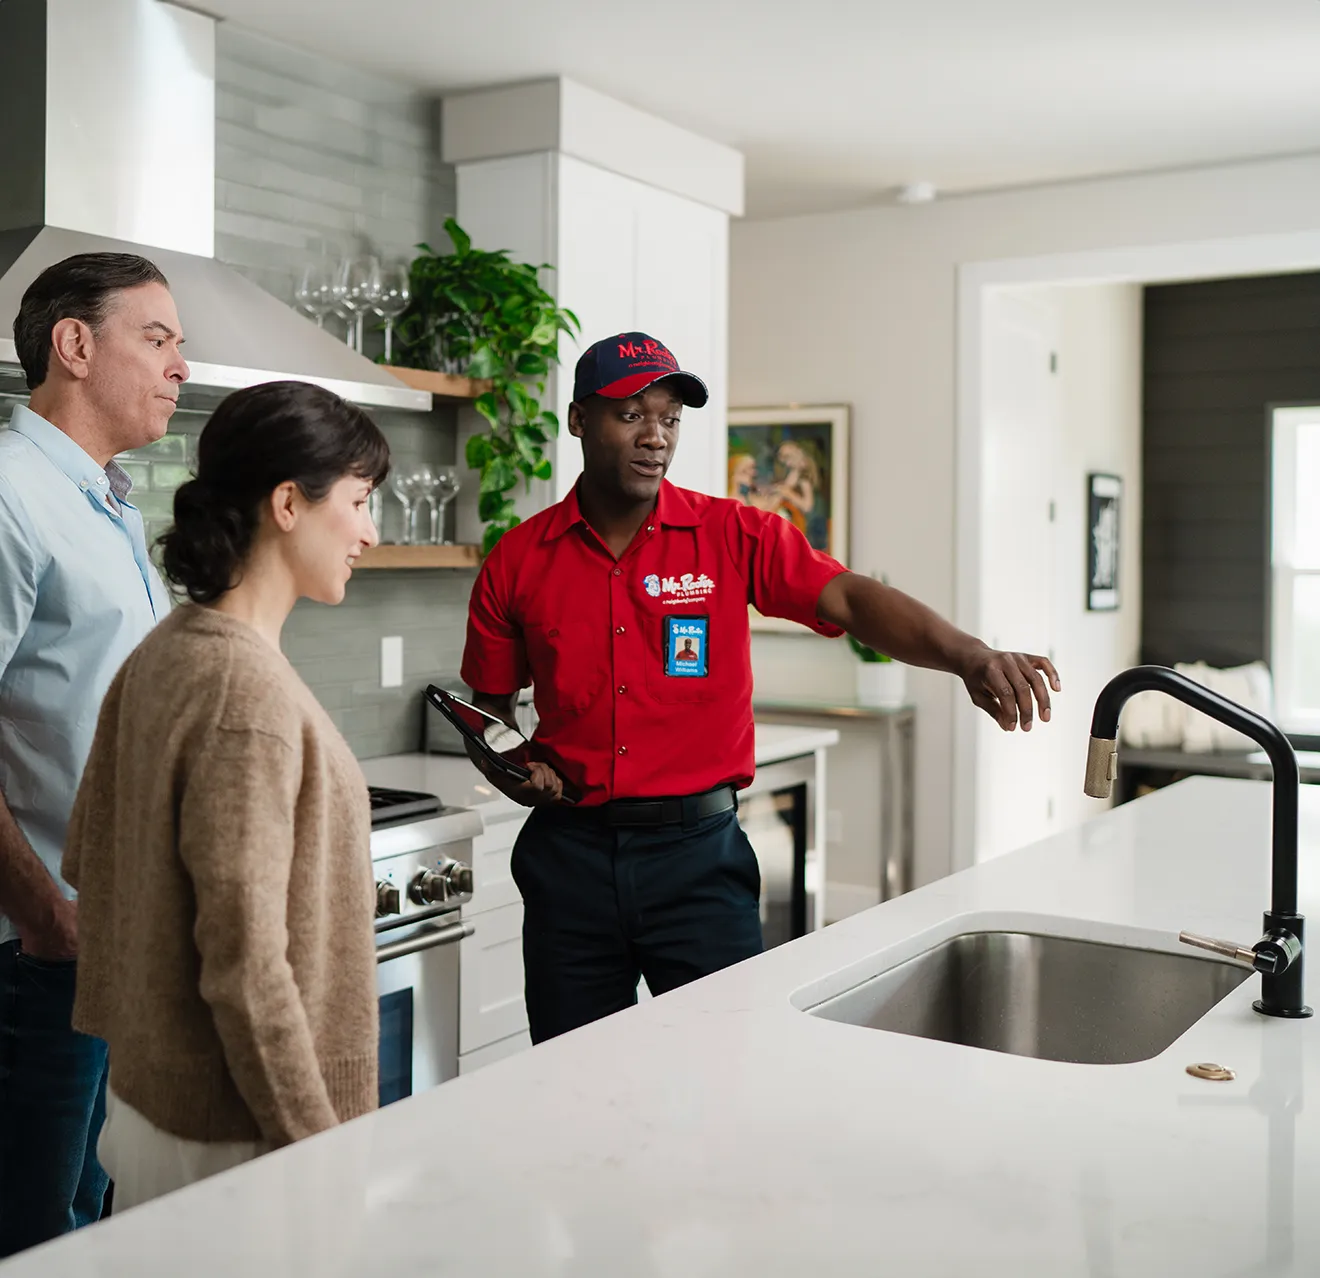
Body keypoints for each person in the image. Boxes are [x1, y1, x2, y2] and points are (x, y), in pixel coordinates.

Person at [461, 331, 1062, 1045]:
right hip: (569, 863)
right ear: (579, 420)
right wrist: (511, 769)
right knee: (569, 1077)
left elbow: (849, 597)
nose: (656, 436)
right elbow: (489, 711)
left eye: (670, 419)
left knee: (727, 1069)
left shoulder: (731, 534)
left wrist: (968, 655)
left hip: (697, 866)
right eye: (631, 415)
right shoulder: (519, 560)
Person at [61, 380, 387, 1212]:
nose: (369, 532)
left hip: (157, 1104)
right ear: (287, 503)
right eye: (357, 501)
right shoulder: (244, 693)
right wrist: (318, 1143)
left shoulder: (167, 647)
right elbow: (246, 965)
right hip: (239, 1132)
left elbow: (86, 851)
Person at [0, 252, 183, 1256]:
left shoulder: (108, 503)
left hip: (105, 931)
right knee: (37, 1232)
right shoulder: (11, 494)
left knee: (91, 1222)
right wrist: (44, 915)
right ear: (74, 345)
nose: (180, 366)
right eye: (155, 338)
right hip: (39, 947)